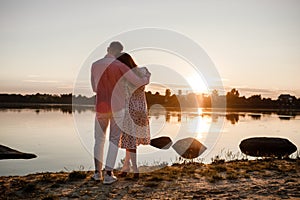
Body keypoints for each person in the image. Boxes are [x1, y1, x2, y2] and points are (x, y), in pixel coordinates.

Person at [91, 41, 149, 184]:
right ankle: (109, 175)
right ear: (119, 52)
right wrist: (147, 77)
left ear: (108, 49)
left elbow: (94, 88)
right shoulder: (121, 66)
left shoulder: (95, 65)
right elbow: (138, 82)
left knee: (99, 140)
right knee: (114, 140)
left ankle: (97, 174)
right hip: (118, 108)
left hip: (101, 107)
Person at [116, 53, 151, 178]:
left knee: (130, 141)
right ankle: (126, 167)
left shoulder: (125, 76)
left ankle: (135, 170)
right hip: (141, 110)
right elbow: (147, 76)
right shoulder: (142, 72)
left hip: (130, 110)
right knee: (130, 141)